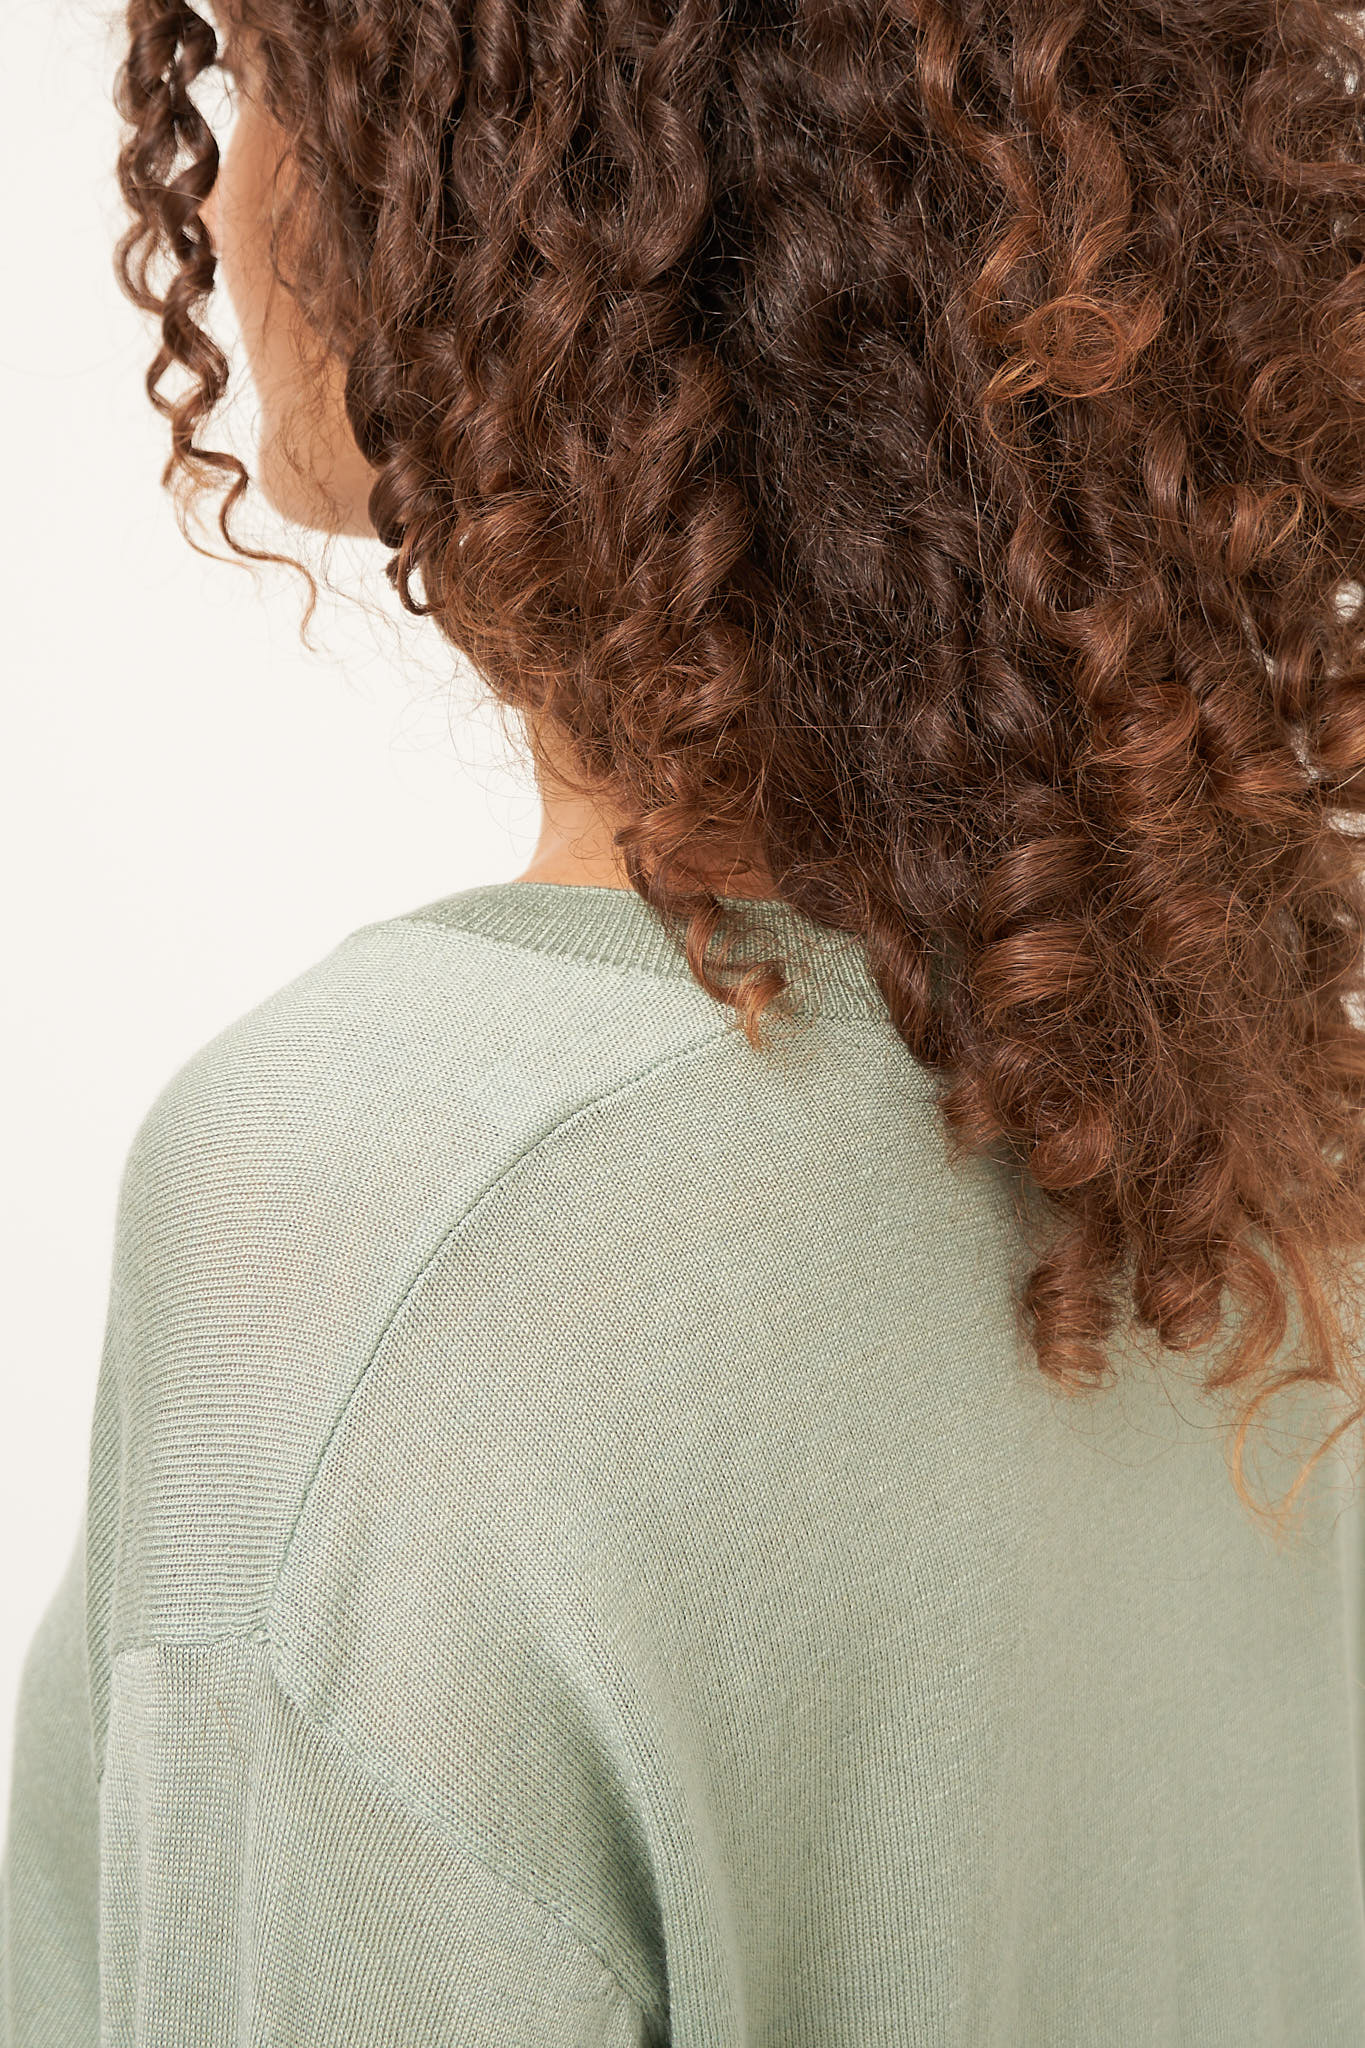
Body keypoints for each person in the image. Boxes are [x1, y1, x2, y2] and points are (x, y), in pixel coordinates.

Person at [6, 0, 1365, 2040]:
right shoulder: (1232, 1153)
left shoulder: (380, 1194)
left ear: (505, 203)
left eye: (272, 72)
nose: (235, 171)